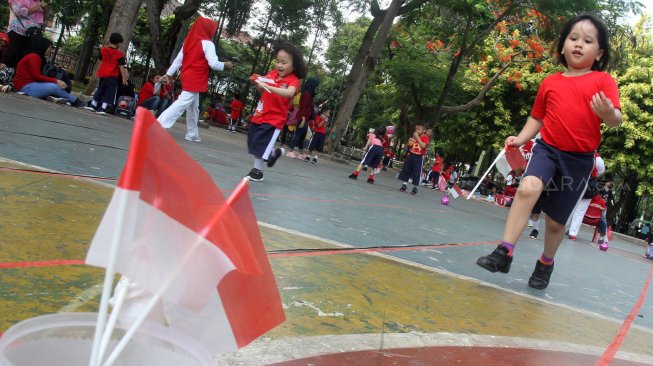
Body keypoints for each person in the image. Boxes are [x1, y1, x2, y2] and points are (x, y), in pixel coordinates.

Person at [476, 14, 622, 290]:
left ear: (599, 52)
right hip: (547, 149)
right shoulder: (550, 82)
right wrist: (520, 139)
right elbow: (537, 118)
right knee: (527, 190)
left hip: (578, 160)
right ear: (563, 45)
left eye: (588, 41)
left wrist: (609, 114)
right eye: (573, 38)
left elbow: (616, 119)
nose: (579, 44)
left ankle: (545, 263)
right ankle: (504, 251)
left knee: (556, 223)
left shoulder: (603, 81)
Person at [157, 17, 233, 143]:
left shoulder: (188, 41)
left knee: (193, 107)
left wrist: (168, 74)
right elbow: (213, 64)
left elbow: (178, 61)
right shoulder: (208, 44)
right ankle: (159, 124)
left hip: (187, 75)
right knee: (183, 102)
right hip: (196, 77)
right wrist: (225, 65)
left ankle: (192, 134)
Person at [246, 40, 306, 181]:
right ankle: (273, 153)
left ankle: (257, 171)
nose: (279, 65)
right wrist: (257, 82)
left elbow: (290, 93)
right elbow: (261, 88)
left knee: (260, 142)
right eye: (278, 61)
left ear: (294, 65)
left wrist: (270, 87)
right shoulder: (272, 74)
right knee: (253, 141)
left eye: (284, 62)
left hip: (275, 118)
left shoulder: (293, 80)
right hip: (259, 114)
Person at [13, 36, 86, 107]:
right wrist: (56, 81)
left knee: (54, 86)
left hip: (28, 85)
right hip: (25, 87)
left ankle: (57, 97)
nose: (50, 50)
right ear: (42, 46)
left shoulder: (36, 56)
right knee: (54, 87)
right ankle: (74, 100)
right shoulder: (34, 57)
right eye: (49, 47)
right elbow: (37, 76)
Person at [567, 152, 604, 240]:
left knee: (569, 207)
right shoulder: (596, 157)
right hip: (589, 185)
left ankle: (562, 227)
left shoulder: (577, 150)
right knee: (580, 211)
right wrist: (593, 175)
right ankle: (573, 233)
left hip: (575, 181)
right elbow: (601, 169)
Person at [89, 33, 128, 114]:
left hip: (103, 74)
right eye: (120, 43)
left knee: (100, 89)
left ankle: (94, 104)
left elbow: (101, 59)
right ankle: (103, 108)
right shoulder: (120, 54)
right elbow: (121, 67)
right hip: (112, 75)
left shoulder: (103, 50)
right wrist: (124, 78)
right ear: (118, 43)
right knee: (109, 92)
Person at [1, 0, 45, 70]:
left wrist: (42, 7)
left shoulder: (37, 2)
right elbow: (18, 11)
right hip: (17, 31)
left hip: (30, 35)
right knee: (8, 58)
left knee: (20, 62)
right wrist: (36, 8)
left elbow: (40, 19)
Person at [286, 78, 319, 159]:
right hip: (303, 117)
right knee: (297, 134)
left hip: (305, 118)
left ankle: (301, 153)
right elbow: (303, 107)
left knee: (302, 136)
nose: (317, 87)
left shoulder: (309, 95)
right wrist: (303, 119)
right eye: (316, 86)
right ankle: (290, 151)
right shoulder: (306, 94)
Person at [398, 124, 430, 195]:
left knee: (417, 172)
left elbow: (423, 146)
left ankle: (415, 188)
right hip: (411, 154)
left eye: (419, 129)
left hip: (419, 156)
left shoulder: (425, 137)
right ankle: (404, 185)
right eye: (416, 129)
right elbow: (410, 146)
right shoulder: (414, 136)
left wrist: (417, 137)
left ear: (424, 130)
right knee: (407, 169)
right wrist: (410, 141)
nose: (417, 131)